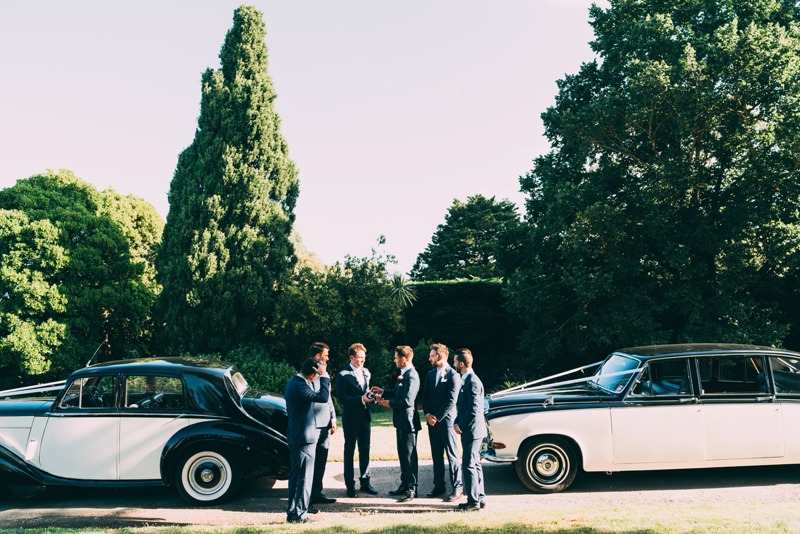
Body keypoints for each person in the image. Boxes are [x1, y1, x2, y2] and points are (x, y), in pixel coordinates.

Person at [371, 345, 422, 502]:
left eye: (396, 357)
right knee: (402, 455)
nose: (394, 360)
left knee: (409, 455)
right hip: (400, 421)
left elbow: (407, 401)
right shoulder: (404, 375)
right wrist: (382, 391)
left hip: (408, 422)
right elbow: (397, 392)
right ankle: (404, 484)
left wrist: (387, 403)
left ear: (404, 359)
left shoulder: (412, 376)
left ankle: (412, 488)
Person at [284, 357, 331, 523]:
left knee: (296, 477)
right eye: (317, 374)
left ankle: (292, 512)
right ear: (313, 372)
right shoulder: (299, 386)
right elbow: (323, 397)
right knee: (304, 478)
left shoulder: (293, 382)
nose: (317, 378)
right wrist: (325, 376)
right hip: (304, 438)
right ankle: (299, 515)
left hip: (297, 436)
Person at [336, 343, 378, 497]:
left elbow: (367, 393)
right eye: (360, 357)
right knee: (349, 451)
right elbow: (342, 398)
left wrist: (373, 398)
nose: (362, 361)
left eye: (364, 358)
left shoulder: (366, 372)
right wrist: (361, 398)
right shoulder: (342, 375)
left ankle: (365, 482)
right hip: (351, 418)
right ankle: (350, 485)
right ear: (351, 357)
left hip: (365, 417)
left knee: (365, 450)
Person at [422, 343, 463, 500]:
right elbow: (425, 398)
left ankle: (457, 487)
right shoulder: (430, 375)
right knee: (436, 455)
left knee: (452, 454)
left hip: (446, 421)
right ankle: (438, 486)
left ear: (441, 357)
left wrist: (437, 417)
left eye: (432, 355)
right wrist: (427, 415)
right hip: (431, 421)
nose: (429, 358)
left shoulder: (453, 375)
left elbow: (451, 400)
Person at [453, 348, 487, 511]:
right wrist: (456, 420)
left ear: (461, 363)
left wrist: (461, 425)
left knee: (469, 465)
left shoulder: (472, 381)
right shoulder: (465, 379)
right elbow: (463, 407)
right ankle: (479, 498)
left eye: (454, 362)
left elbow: (474, 409)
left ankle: (473, 502)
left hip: (473, 431)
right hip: (471, 429)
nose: (453, 365)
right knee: (475, 464)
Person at [309, 342, 337, 507]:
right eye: (326, 355)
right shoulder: (309, 373)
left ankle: (317, 492)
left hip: (325, 424)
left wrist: (332, 417)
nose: (327, 358)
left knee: (321, 461)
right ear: (318, 356)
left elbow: (328, 398)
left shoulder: (324, 374)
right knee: (311, 463)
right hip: (312, 425)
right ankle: (308, 496)